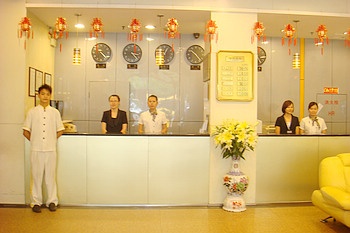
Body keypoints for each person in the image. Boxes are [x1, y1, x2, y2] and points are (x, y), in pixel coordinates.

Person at [23, 84, 65, 213]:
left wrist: (50, 140)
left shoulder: (55, 112)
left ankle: (52, 201)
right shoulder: (32, 112)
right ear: (38, 95)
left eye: (47, 94)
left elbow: (60, 130)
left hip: (50, 149)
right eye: (42, 94)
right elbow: (25, 131)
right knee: (36, 176)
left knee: (50, 177)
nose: (45, 96)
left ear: (50, 95)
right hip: (36, 149)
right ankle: (36, 202)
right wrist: (36, 141)